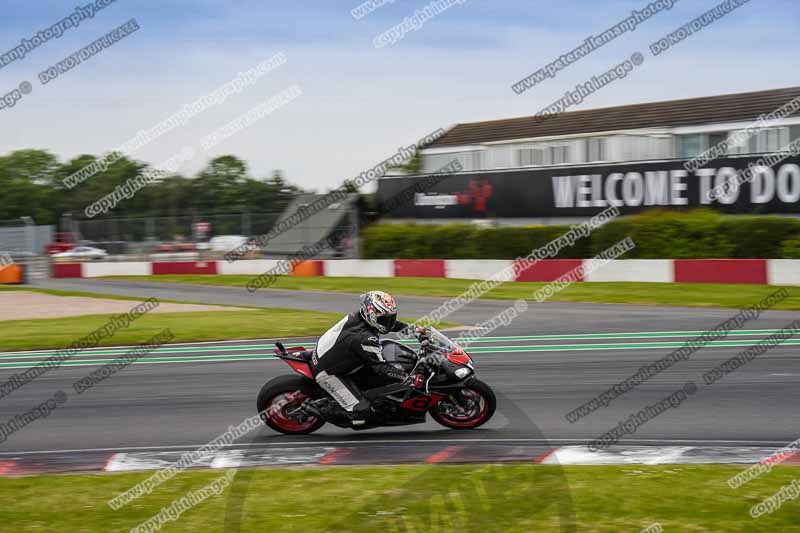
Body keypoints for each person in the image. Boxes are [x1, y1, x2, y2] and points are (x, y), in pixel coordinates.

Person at [309, 290, 427, 424]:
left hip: (336, 358)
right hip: (328, 372)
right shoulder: (364, 337)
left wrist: (415, 330)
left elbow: (392, 325)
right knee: (362, 412)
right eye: (384, 319)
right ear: (371, 314)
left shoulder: (361, 317)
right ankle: (324, 410)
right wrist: (408, 379)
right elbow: (381, 368)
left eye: (391, 318)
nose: (388, 322)